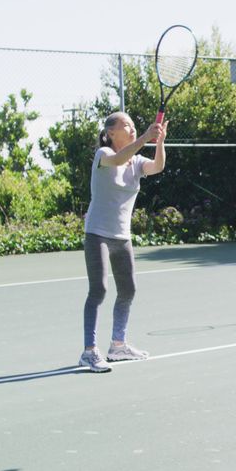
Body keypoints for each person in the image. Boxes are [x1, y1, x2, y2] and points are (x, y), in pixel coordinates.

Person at [78, 112, 167, 373]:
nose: (131, 129)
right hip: (97, 234)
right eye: (125, 125)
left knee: (128, 290)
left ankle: (118, 345)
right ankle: (89, 352)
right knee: (99, 290)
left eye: (133, 125)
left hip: (122, 237)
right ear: (110, 133)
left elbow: (157, 167)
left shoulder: (137, 161)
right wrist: (145, 136)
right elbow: (118, 158)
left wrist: (159, 141)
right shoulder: (103, 154)